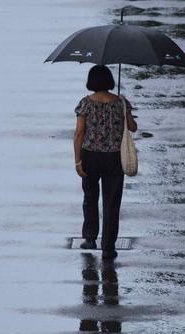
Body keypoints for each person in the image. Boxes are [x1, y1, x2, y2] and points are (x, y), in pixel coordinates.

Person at [73, 65, 137, 260]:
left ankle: (90, 237)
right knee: (111, 202)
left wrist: (77, 161)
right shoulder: (121, 102)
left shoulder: (86, 103)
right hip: (114, 158)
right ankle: (108, 247)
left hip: (90, 155)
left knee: (90, 198)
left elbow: (79, 134)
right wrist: (124, 111)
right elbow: (133, 128)